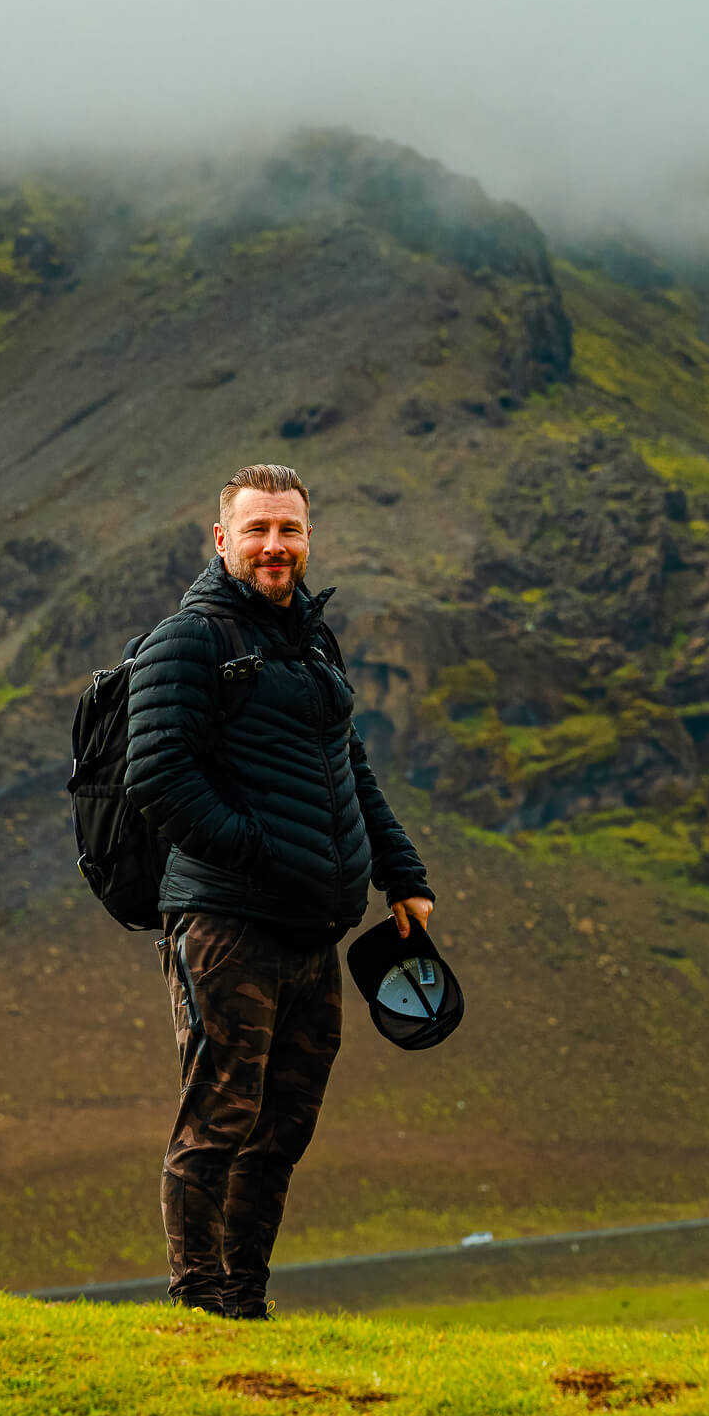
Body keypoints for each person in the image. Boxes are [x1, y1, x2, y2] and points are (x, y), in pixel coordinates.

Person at [123, 462, 435, 1318]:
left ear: (307, 539)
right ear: (222, 541)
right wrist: (261, 852)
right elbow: (154, 775)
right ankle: (198, 1301)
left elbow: (348, 764)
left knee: (282, 1127)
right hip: (226, 920)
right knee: (219, 1114)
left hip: (310, 928)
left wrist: (399, 872)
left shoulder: (309, 638)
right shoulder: (187, 642)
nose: (274, 546)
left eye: (288, 530)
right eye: (256, 530)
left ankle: (244, 1302)